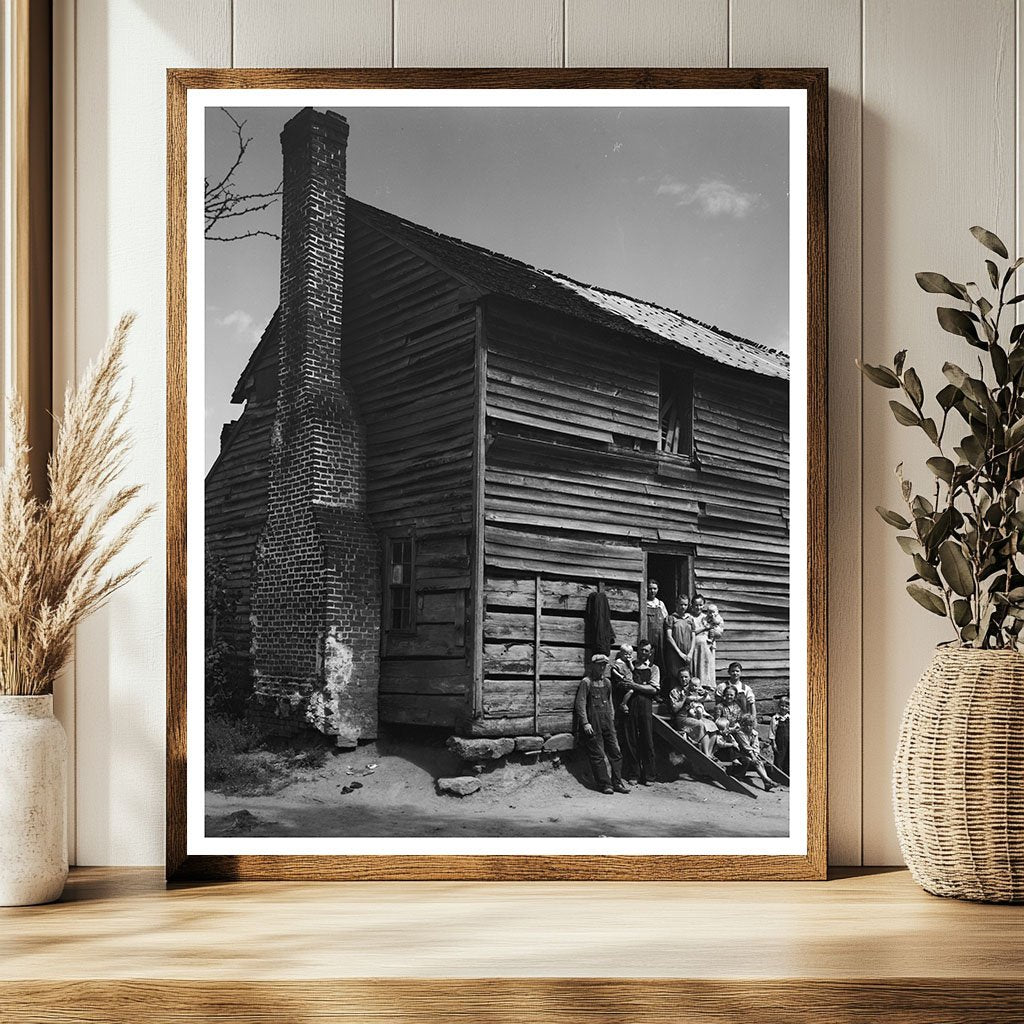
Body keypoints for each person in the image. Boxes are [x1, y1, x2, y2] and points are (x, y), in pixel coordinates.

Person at [574, 655, 629, 794]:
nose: (602, 667)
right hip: (593, 721)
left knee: (616, 752)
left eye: (604, 665)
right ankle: (605, 784)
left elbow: (610, 702)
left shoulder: (607, 683)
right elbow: (580, 704)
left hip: (607, 721)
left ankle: (617, 782)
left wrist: (612, 718)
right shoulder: (586, 682)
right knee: (598, 754)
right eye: (599, 665)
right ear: (593, 665)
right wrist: (585, 723)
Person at [619, 639, 660, 786]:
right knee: (631, 739)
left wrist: (634, 686)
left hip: (645, 705)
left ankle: (649, 775)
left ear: (650, 653)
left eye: (646, 650)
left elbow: (653, 689)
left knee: (647, 739)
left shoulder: (653, 668)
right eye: (641, 650)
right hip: (630, 704)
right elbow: (623, 682)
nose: (643, 653)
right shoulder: (629, 665)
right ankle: (634, 774)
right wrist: (626, 686)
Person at [735, 713, 776, 792]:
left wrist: (756, 755)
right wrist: (753, 757)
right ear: (743, 725)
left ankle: (766, 782)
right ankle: (767, 780)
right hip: (740, 753)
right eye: (746, 725)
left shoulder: (754, 733)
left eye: (750, 725)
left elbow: (756, 746)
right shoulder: (740, 733)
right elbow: (746, 746)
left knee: (759, 762)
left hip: (750, 753)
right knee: (754, 761)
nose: (748, 727)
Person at [690, 594, 724, 690]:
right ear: (692, 605)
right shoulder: (689, 617)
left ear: (704, 605)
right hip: (695, 645)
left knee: (706, 663)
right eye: (696, 605)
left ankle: (707, 683)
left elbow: (719, 631)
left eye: (700, 605)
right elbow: (691, 632)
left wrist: (714, 631)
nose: (698, 607)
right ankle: (696, 684)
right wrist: (705, 628)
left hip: (707, 646)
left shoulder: (707, 617)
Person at [663, 596, 696, 691]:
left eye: (685, 605)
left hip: (688, 653)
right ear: (676, 604)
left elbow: (693, 637)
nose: (683, 607)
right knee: (675, 675)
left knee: (687, 675)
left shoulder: (690, 619)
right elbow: (669, 637)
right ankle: (675, 697)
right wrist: (680, 653)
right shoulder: (671, 618)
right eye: (681, 604)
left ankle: (688, 697)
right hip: (675, 652)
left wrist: (690, 653)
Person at [645, 580, 669, 693]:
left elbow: (667, 620)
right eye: (650, 588)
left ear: (658, 589)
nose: (652, 591)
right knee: (648, 663)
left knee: (660, 663)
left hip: (660, 639)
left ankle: (659, 691)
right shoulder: (644, 602)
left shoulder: (660, 604)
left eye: (654, 588)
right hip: (648, 637)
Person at [769, 694, 790, 775]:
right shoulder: (775, 718)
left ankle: (787, 775)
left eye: (786, 706)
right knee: (779, 758)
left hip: (789, 742)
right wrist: (773, 743)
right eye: (782, 705)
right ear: (778, 706)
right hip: (779, 742)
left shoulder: (790, 717)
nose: (784, 708)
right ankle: (778, 775)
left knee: (788, 757)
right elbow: (772, 731)